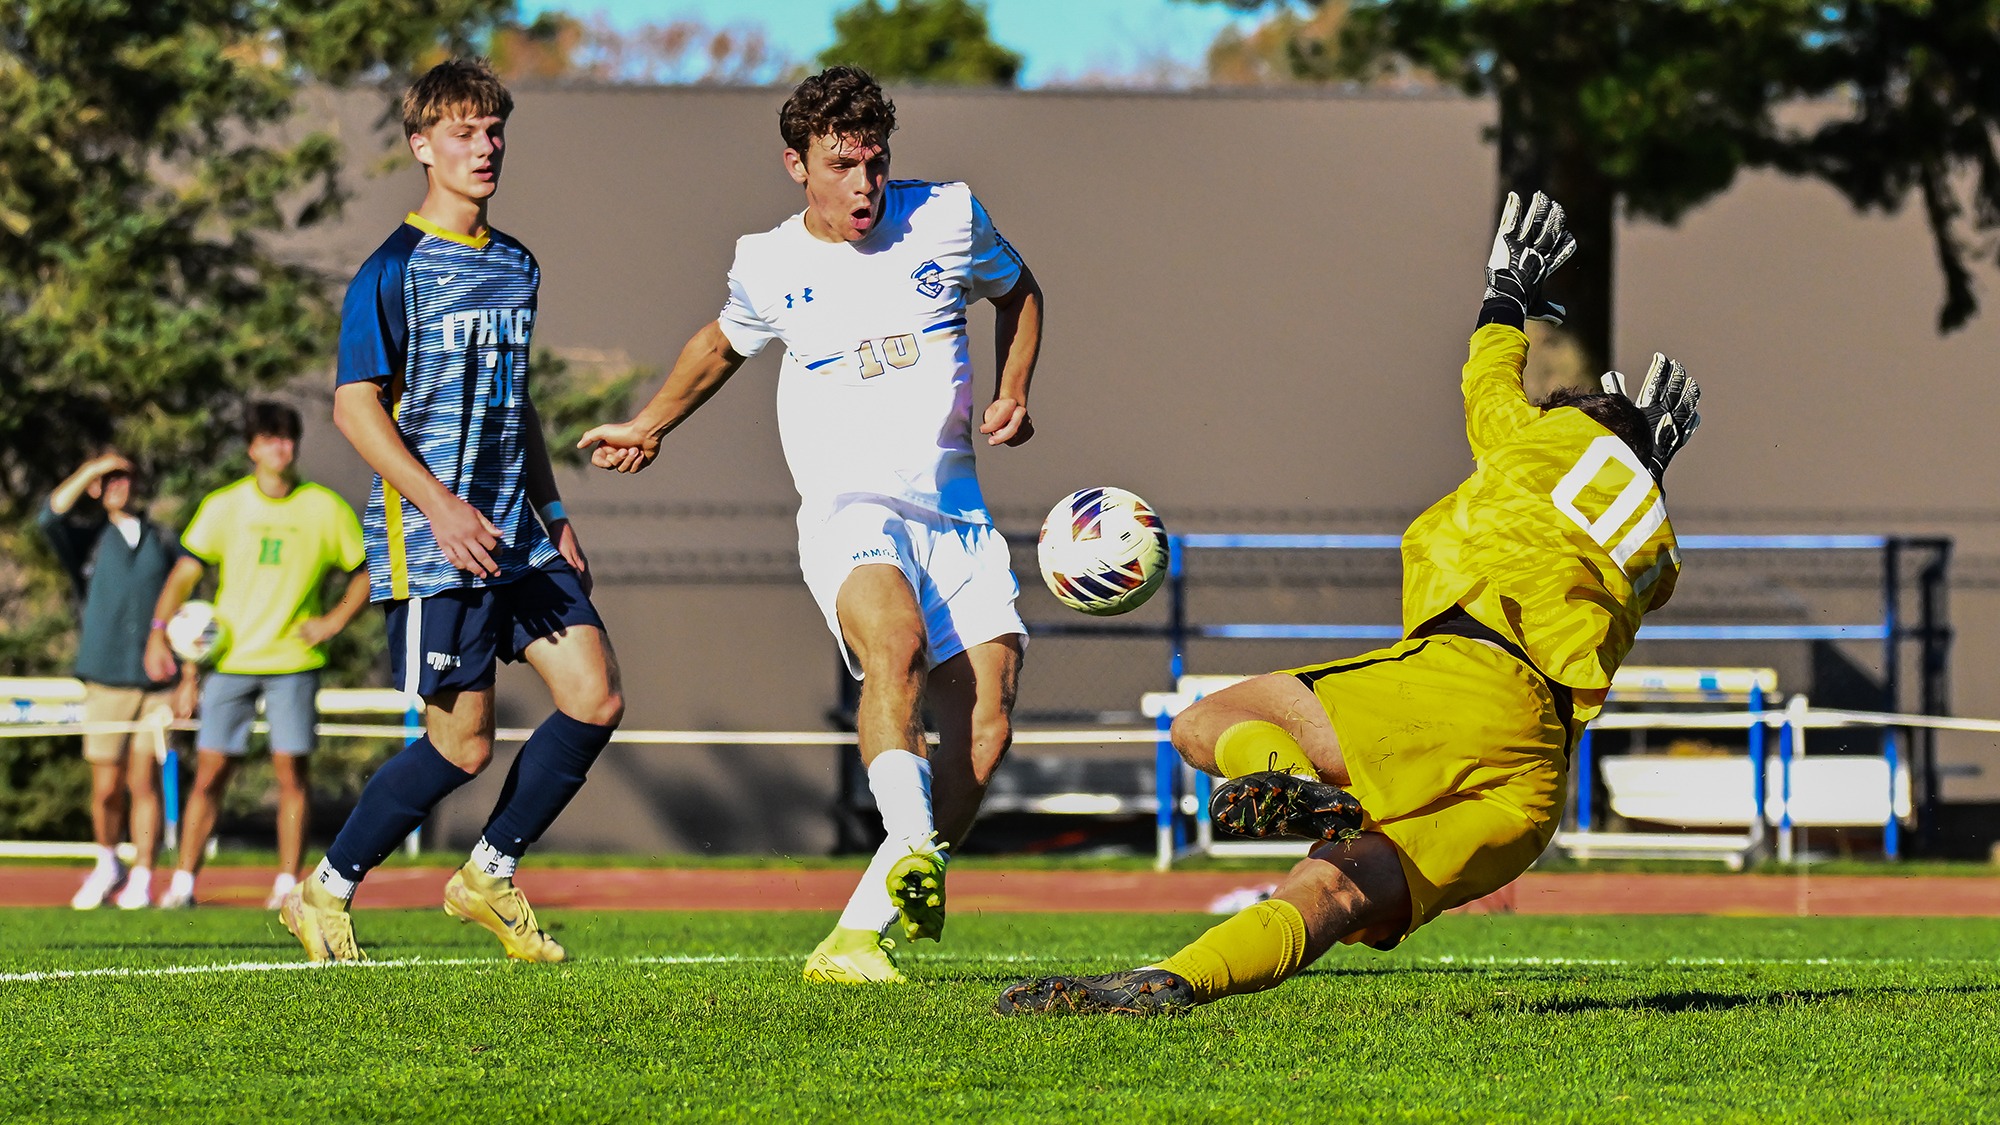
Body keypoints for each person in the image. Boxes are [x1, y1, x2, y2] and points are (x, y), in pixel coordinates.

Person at [995, 192, 1704, 1015]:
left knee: (1203, 726)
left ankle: (1289, 780)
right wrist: (1645, 459)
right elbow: (1597, 542)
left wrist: (1507, 292)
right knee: (1332, 890)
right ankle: (1174, 984)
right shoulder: (1660, 547)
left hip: (1466, 677)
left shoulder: (1546, 439)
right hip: (1531, 778)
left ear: (1576, 421)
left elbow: (1486, 378)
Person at [580, 66, 1044, 983]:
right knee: (896, 649)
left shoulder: (948, 216)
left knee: (985, 731)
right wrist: (648, 425)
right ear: (797, 165)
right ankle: (911, 840)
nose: (863, 184)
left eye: (874, 163)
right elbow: (719, 345)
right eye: (841, 166)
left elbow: (1021, 290)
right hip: (850, 508)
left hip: (955, 518)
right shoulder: (769, 262)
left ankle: (855, 934)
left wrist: (1015, 390)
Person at [278, 58, 624, 964]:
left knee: (595, 696)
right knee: (463, 746)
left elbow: (517, 402)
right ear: (421, 146)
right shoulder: (392, 272)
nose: (485, 147)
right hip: (433, 541)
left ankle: (488, 871)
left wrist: (552, 509)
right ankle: (326, 890)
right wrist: (439, 506)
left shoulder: (518, 265)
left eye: (494, 130)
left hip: (518, 533)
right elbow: (357, 406)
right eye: (464, 133)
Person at [142, 402, 368, 910]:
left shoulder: (325, 508)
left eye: (287, 438)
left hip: (293, 665)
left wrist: (333, 622)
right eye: (268, 439)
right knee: (211, 773)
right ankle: (183, 884)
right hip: (230, 662)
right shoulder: (224, 506)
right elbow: (184, 575)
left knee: (292, 776)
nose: (279, 447)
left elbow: (366, 570)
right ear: (251, 448)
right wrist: (161, 634)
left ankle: (287, 885)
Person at [39, 454, 195, 910]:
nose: (116, 486)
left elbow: (190, 611)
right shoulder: (88, 539)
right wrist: (91, 468)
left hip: (156, 684)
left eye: (122, 477)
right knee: (105, 786)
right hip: (105, 680)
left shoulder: (164, 539)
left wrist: (189, 675)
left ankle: (143, 873)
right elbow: (49, 516)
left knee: (142, 780)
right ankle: (107, 862)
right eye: (107, 481)